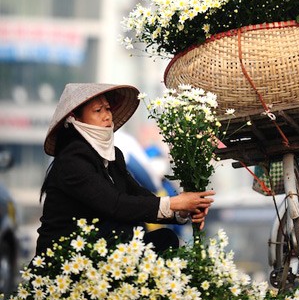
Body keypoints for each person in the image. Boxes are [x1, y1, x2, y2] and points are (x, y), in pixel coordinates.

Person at [35, 83, 214, 257]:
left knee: (165, 238)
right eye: (98, 111)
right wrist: (176, 203)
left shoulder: (113, 156)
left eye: (108, 109)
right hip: (69, 255)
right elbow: (115, 204)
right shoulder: (72, 160)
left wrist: (183, 209)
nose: (107, 116)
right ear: (75, 118)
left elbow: (139, 195)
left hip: (102, 248)